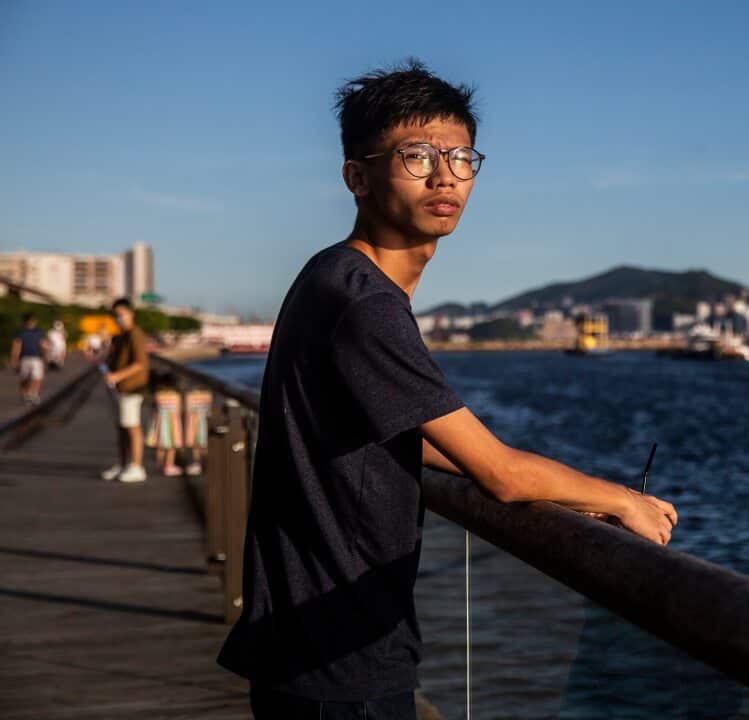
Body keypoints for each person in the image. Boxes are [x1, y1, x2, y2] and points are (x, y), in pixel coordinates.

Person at [216, 59, 678, 719]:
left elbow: (399, 438)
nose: (445, 175)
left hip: (317, 640)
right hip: (335, 653)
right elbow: (502, 476)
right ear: (357, 176)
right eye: (417, 156)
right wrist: (623, 502)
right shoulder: (363, 303)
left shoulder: (333, 277)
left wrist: (571, 499)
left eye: (462, 157)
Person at [101, 298, 151, 484]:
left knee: (132, 426)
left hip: (132, 388)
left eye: (121, 314)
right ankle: (123, 464)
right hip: (119, 389)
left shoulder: (136, 335)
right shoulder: (120, 336)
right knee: (122, 427)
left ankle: (137, 466)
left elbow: (140, 363)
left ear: (131, 313)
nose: (118, 318)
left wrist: (117, 376)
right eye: (116, 315)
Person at [144, 369, 184, 477]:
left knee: (160, 446)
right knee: (171, 447)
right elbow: (180, 410)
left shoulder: (158, 395)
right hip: (173, 424)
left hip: (160, 423)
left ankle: (160, 465)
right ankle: (169, 466)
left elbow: (154, 408)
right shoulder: (176, 396)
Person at [9, 313, 49, 405]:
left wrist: (45, 357)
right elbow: (17, 346)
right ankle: (25, 395)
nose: (32, 322)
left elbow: (43, 344)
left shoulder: (39, 332)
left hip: (37, 357)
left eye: (34, 320)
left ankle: (33, 394)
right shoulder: (20, 332)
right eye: (31, 320)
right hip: (24, 357)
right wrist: (15, 359)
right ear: (26, 321)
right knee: (24, 377)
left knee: (37, 377)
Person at [182, 386, 212, 475]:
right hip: (204, 422)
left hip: (194, 422)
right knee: (203, 445)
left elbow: (187, 410)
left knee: (197, 445)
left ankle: (198, 463)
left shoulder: (190, 395)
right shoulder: (208, 395)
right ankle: (204, 463)